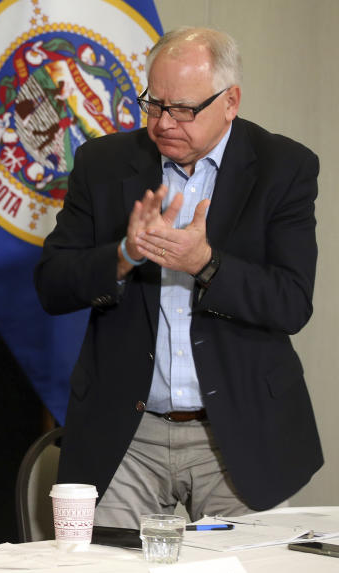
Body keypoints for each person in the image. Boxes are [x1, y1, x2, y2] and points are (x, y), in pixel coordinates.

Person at [33, 27, 322, 528]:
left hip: (240, 432)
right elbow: (52, 284)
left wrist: (205, 263)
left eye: (183, 109)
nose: (163, 123)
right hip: (127, 436)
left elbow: (291, 302)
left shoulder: (285, 167)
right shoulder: (102, 164)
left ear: (230, 101)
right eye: (153, 104)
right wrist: (123, 255)